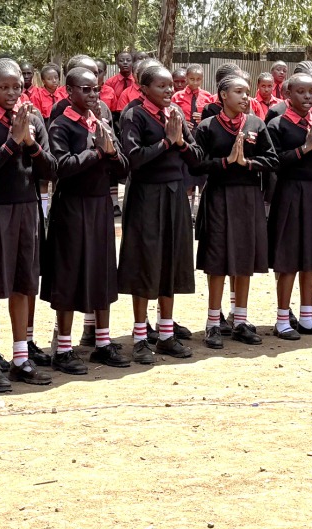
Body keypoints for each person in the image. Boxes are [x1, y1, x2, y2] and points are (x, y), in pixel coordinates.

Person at [0, 59, 56, 392]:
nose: (11, 92)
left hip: (27, 211)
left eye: (17, 86)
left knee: (23, 285)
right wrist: (11, 143)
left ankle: (21, 357)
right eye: (4, 86)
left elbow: (51, 170)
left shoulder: (34, 120)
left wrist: (30, 143)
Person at [44, 67, 131, 374]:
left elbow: (122, 169)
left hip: (100, 207)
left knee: (102, 270)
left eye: (96, 90)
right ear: (70, 92)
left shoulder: (103, 122)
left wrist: (110, 152)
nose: (93, 95)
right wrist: (96, 153)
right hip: (72, 207)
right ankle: (64, 348)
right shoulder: (61, 126)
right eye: (85, 90)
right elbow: (60, 167)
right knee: (69, 273)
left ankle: (103, 343)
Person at [118, 65, 201, 363]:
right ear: (144, 89)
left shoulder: (175, 114)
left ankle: (166, 333)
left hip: (175, 194)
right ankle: (141, 337)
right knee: (144, 261)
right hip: (146, 196)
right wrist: (166, 142)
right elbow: (133, 159)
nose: (169, 91)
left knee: (172, 258)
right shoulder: (133, 115)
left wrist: (179, 142)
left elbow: (197, 158)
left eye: (170, 86)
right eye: (161, 86)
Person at [192, 75, 278, 348]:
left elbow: (272, 159)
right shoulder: (207, 127)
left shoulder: (256, 124)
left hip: (248, 198)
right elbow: (198, 164)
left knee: (243, 259)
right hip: (218, 197)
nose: (245, 97)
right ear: (222, 96)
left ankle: (240, 320)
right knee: (217, 260)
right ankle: (213, 323)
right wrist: (226, 162)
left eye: (246, 92)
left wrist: (248, 162)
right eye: (238, 92)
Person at [266, 73, 312, 340]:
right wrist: (303, 150)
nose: (308, 97)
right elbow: (273, 162)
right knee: (288, 258)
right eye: (301, 92)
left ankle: (307, 317)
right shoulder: (277, 125)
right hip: (289, 193)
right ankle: (282, 319)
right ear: (288, 95)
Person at [172, 64, 214, 131]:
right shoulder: (177, 97)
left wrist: (204, 117)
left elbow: (213, 117)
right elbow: (170, 116)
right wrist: (183, 123)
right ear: (186, 78)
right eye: (192, 79)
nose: (195, 82)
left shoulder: (208, 97)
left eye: (198, 79)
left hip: (202, 133)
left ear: (202, 79)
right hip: (182, 132)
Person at [105, 51, 135, 116]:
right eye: (121, 60)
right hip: (115, 115)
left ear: (133, 63)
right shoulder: (110, 82)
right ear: (117, 63)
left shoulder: (137, 81)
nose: (125, 62)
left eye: (128, 60)